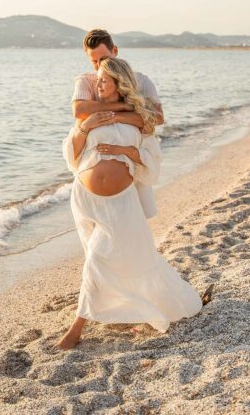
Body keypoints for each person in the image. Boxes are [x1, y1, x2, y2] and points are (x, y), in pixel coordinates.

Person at [57, 57, 212, 351]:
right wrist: (83, 128)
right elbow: (71, 155)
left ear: (119, 84)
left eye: (103, 80)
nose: (97, 84)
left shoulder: (140, 120)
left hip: (121, 202)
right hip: (87, 199)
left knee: (101, 258)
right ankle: (99, 315)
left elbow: (152, 163)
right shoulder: (90, 116)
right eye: (97, 80)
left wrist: (125, 150)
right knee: (99, 255)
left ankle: (76, 329)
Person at [73, 29, 164, 218]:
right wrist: (125, 106)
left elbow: (157, 117)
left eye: (103, 59)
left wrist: (117, 116)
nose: (99, 66)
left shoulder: (141, 81)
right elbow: (79, 111)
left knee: (134, 223)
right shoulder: (88, 81)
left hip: (132, 166)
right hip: (93, 168)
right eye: (94, 62)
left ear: (115, 50)